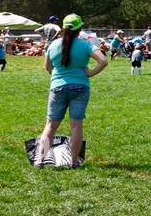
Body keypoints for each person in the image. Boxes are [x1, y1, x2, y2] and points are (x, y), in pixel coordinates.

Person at [36, 13, 106, 167]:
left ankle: (39, 160)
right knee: (76, 125)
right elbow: (103, 61)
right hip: (80, 87)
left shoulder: (53, 45)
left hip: (58, 87)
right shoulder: (86, 45)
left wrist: (57, 76)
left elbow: (47, 67)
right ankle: (73, 162)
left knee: (50, 126)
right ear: (79, 28)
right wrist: (90, 73)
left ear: (63, 28)